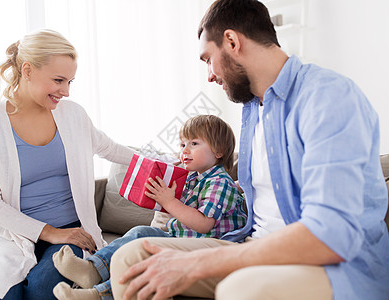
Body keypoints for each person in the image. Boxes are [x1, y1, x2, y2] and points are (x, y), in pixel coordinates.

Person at [109, 1, 389, 299]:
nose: (209, 75)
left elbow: (331, 234)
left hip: (333, 265)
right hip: (253, 246)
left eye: (208, 59)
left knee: (240, 289)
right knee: (132, 257)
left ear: (231, 41)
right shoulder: (253, 111)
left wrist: (202, 262)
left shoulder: (327, 96)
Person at [0, 29, 134, 300]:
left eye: (70, 82)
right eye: (58, 80)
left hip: (74, 233)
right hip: (17, 238)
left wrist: (174, 163)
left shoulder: (73, 115)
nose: (66, 91)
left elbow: (110, 149)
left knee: (43, 292)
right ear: (28, 70)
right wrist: (48, 233)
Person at [51, 115, 247, 300]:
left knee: (143, 253)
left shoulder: (220, 182)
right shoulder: (192, 178)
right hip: (182, 240)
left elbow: (203, 224)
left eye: (194, 144)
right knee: (140, 233)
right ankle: (93, 271)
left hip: (205, 246)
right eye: (182, 144)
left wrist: (170, 202)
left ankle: (97, 293)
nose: (185, 150)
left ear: (218, 151)